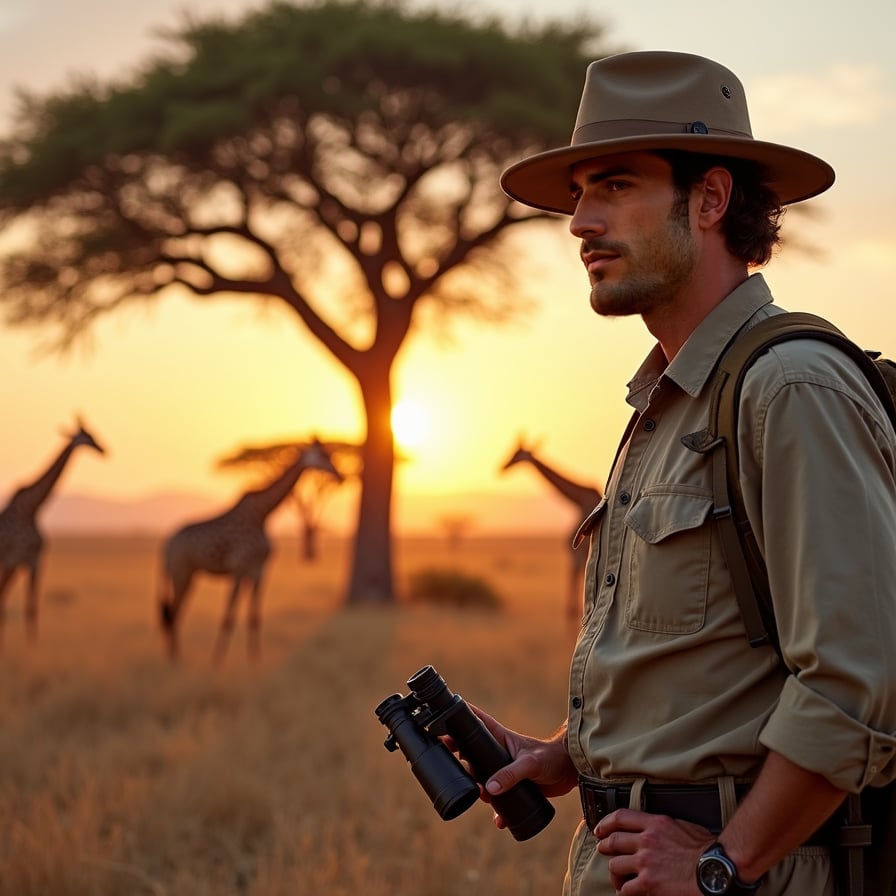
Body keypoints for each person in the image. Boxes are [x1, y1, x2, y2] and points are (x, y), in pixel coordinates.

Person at [475, 50, 896, 895]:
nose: (581, 222)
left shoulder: (788, 388)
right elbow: (705, 658)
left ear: (711, 199)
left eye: (617, 186)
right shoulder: (668, 402)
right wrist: (565, 754)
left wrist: (722, 862)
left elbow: (860, 681)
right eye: (580, 193)